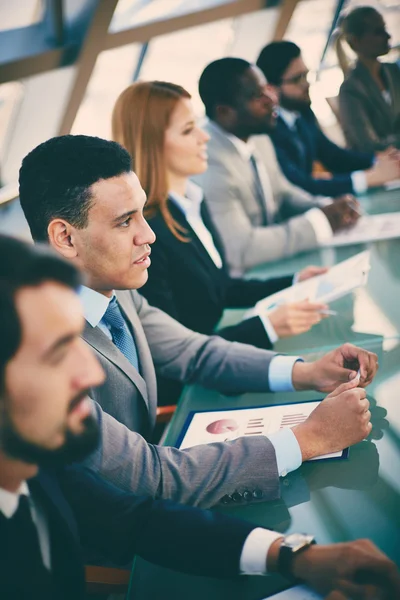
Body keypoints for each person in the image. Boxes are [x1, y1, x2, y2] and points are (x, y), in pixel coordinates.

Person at [1, 235, 398, 600]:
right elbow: (148, 483)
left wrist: (294, 555)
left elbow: (136, 520)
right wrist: (306, 439)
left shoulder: (40, 463)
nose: (88, 374)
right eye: (56, 355)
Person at [18, 134, 378, 510]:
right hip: (109, 544)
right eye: (125, 222)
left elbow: (195, 352)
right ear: (64, 237)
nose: (149, 234)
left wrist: (307, 372)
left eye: (142, 213)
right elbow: (149, 476)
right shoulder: (36, 355)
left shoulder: (110, 288)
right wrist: (308, 440)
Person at [112, 80, 330, 405]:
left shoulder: (191, 204)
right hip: (198, 391)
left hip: (225, 368)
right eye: (188, 131)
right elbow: (176, 353)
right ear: (153, 144)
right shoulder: (147, 235)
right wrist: (266, 326)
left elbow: (221, 287)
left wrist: (293, 281)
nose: (205, 136)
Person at [195, 57, 360, 275]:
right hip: (248, 279)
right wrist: (320, 222)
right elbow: (242, 249)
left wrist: (326, 206)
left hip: (278, 262)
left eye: (268, 89)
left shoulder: (257, 134)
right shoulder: (208, 162)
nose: (272, 99)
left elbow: (283, 192)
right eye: (257, 96)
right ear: (224, 112)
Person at [256, 40, 400, 197]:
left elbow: (332, 155)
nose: (306, 84)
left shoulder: (302, 111)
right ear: (272, 88)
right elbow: (300, 185)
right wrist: (369, 178)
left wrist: (378, 159)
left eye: (306, 75)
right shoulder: (267, 129)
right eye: (297, 79)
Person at [338, 6, 400, 152]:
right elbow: (366, 145)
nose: (388, 36)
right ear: (355, 42)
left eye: (384, 29)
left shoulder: (394, 71)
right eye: (378, 32)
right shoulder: (350, 89)